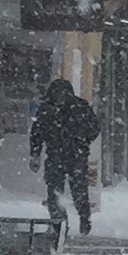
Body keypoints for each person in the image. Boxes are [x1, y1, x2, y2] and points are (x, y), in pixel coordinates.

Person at [31, 76, 100, 235]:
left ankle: (83, 219)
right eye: (57, 93)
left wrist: (82, 141)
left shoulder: (80, 107)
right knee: (55, 191)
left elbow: (95, 127)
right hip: (58, 155)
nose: (60, 96)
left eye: (63, 93)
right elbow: (37, 133)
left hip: (75, 154)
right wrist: (35, 155)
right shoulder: (47, 109)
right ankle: (59, 223)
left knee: (78, 190)